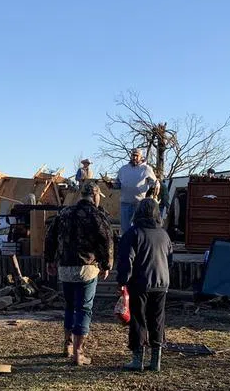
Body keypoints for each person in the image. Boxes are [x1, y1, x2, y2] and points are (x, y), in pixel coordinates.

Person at [44, 181, 114, 366]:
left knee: (69, 306)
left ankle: (67, 345)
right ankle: (78, 353)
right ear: (96, 195)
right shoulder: (97, 215)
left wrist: (49, 260)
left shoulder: (64, 213)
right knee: (84, 308)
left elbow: (50, 237)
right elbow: (106, 240)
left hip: (65, 267)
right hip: (87, 268)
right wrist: (107, 264)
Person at [117, 197, 172, 372]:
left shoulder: (133, 233)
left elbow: (127, 260)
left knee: (138, 319)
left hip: (140, 283)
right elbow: (170, 259)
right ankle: (156, 360)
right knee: (157, 319)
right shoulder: (164, 234)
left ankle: (137, 358)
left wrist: (122, 281)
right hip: (161, 282)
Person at [113, 148, 158, 235]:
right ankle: (125, 245)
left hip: (139, 204)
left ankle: (137, 246)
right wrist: (111, 184)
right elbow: (118, 184)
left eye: (137, 156)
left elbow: (154, 183)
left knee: (138, 229)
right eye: (133, 155)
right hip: (125, 203)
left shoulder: (146, 169)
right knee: (125, 229)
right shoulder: (123, 169)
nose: (134, 158)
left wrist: (155, 189)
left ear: (141, 157)